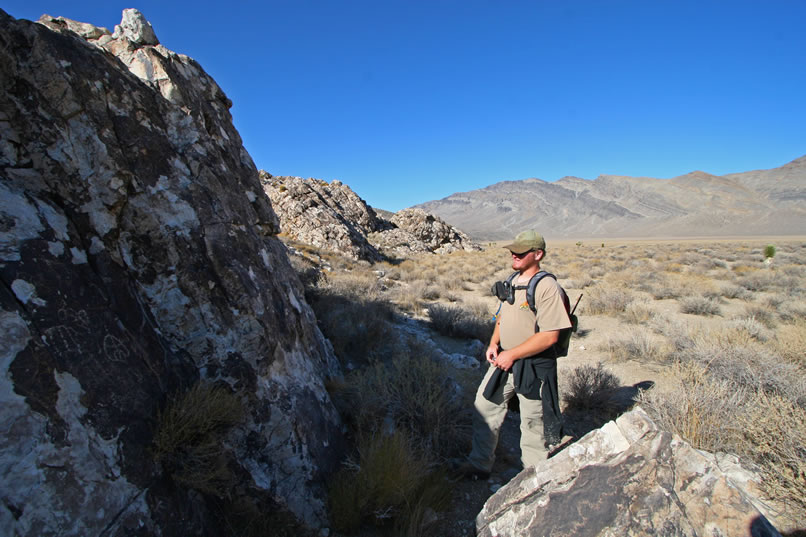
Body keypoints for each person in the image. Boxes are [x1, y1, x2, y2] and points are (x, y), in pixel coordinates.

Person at [457, 230, 571, 479]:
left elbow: (550, 336)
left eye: (520, 252)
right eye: (513, 251)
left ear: (537, 254)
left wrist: (513, 355)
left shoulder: (547, 286)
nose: (514, 255)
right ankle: (479, 464)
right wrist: (493, 344)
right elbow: (502, 317)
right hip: (505, 360)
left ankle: (532, 478)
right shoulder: (512, 281)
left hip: (535, 365)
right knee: (485, 407)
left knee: (533, 423)